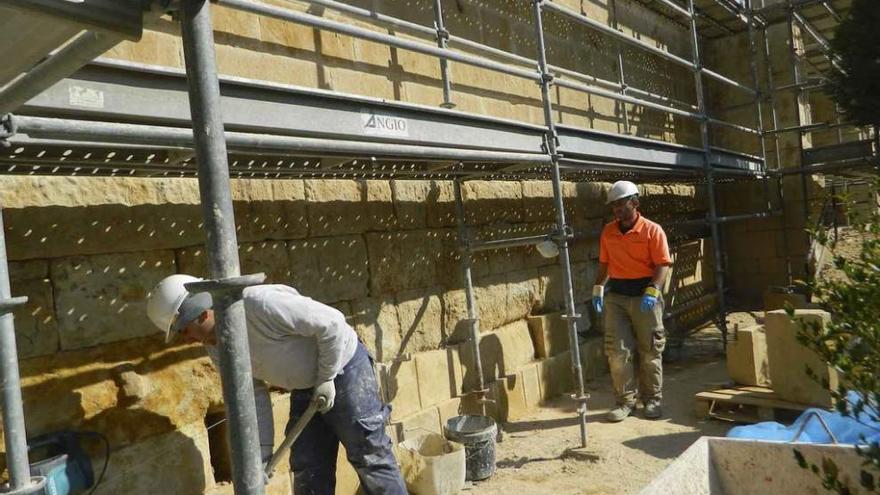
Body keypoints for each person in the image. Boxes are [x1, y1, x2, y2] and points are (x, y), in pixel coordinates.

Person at [146, 276, 407, 495]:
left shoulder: (261, 304)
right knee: (308, 465)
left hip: (345, 368)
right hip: (306, 387)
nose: (186, 340)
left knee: (369, 455)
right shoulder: (217, 348)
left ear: (200, 314)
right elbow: (254, 395)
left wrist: (326, 377)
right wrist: (261, 457)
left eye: (184, 331)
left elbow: (332, 325)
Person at [592, 181, 672, 422]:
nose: (616, 209)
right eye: (613, 205)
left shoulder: (652, 230)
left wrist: (653, 290)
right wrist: (598, 288)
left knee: (649, 350)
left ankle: (652, 399)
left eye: (621, 203)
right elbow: (605, 264)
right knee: (617, 352)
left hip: (644, 295)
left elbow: (662, 264)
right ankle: (625, 401)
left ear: (634, 203)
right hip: (617, 297)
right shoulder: (608, 232)